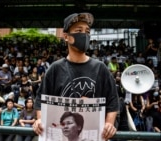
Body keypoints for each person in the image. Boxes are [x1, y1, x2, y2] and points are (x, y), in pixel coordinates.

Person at [33, 12, 119, 140]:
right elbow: (40, 100)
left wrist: (109, 123)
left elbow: (112, 101)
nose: (84, 35)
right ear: (66, 37)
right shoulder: (55, 68)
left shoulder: (100, 68)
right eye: (79, 30)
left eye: (87, 31)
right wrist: (40, 120)